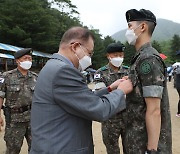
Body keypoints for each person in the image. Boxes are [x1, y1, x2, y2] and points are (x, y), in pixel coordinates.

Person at [30, 26, 133, 154]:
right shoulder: (64, 71)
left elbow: (82, 97)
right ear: (75, 47)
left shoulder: (54, 66)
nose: (89, 58)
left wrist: (110, 88)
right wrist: (121, 91)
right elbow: (99, 110)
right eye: (89, 53)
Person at [124, 9, 172, 154]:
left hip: (143, 145)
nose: (128, 30)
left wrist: (151, 150)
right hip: (135, 140)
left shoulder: (148, 59)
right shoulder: (140, 57)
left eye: (130, 26)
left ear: (143, 27)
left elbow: (154, 110)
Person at [0, 48, 38, 154]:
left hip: (33, 119)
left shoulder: (35, 77)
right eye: (25, 58)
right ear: (18, 61)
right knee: (13, 149)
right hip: (14, 121)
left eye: (30, 59)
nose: (28, 61)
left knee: (36, 148)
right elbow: (0, 96)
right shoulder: (6, 76)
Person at [94, 43, 128, 154]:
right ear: (108, 56)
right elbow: (100, 95)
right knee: (112, 150)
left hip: (128, 117)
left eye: (121, 55)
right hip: (110, 119)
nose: (119, 58)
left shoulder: (129, 71)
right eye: (116, 55)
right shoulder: (100, 73)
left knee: (131, 148)